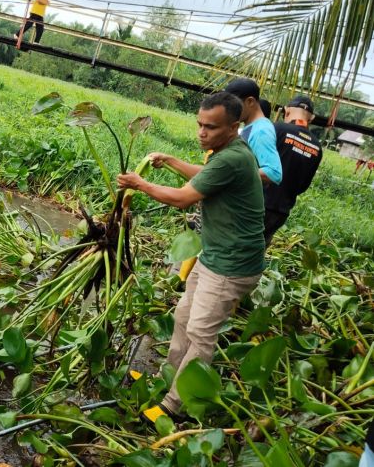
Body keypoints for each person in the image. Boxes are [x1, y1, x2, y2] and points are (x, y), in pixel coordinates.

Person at [116, 92, 265, 421]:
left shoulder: (232, 158)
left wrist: (141, 184)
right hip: (213, 255)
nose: (202, 133)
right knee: (183, 317)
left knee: (201, 335)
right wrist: (170, 160)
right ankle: (168, 379)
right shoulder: (225, 153)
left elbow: (184, 199)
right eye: (199, 124)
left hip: (232, 265)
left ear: (234, 127)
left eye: (210, 127)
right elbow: (204, 175)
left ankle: (175, 406)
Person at [263, 95, 322, 245]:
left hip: (257, 203)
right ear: (312, 118)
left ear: (287, 111)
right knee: (256, 253)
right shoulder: (317, 147)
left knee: (233, 250)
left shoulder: (277, 128)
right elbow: (303, 186)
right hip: (280, 212)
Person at [224, 79, 282, 185]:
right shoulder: (251, 127)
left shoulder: (261, 131)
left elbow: (273, 173)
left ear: (250, 101)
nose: (230, 111)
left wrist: (230, 173)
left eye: (234, 105)